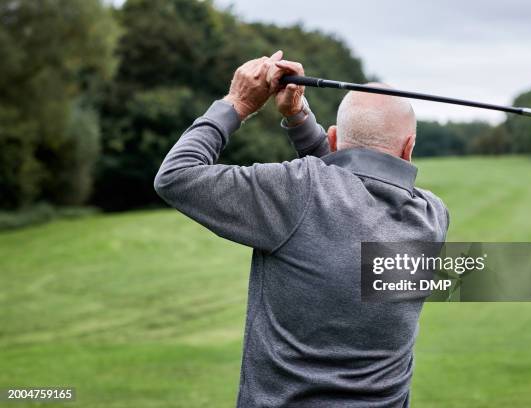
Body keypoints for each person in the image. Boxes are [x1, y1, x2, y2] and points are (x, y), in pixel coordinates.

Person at [154, 50, 449, 408]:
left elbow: (176, 176)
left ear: (336, 138)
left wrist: (237, 103)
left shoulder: (298, 191)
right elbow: (347, 185)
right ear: (409, 148)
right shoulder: (432, 217)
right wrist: (298, 118)